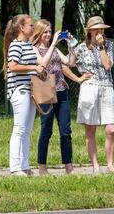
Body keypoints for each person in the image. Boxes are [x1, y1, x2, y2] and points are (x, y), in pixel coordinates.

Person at [31, 20, 93, 175]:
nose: (48, 34)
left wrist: (71, 45)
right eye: (45, 32)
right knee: (46, 130)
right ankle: (42, 167)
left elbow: (70, 62)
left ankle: (69, 166)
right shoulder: (34, 49)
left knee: (65, 131)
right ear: (38, 33)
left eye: (49, 31)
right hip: (46, 92)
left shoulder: (56, 49)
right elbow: (42, 64)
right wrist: (53, 44)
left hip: (61, 91)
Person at [72, 16, 114, 173]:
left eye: (102, 28)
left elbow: (107, 65)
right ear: (90, 31)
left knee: (111, 129)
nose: (100, 31)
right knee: (90, 129)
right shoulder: (81, 47)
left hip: (106, 86)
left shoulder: (108, 45)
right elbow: (68, 63)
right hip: (89, 87)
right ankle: (95, 166)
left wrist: (100, 47)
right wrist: (78, 78)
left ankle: (110, 164)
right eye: (97, 28)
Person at [3, 14, 47, 176]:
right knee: (20, 129)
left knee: (27, 130)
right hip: (19, 90)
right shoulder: (16, 45)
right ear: (21, 28)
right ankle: (15, 167)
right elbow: (13, 66)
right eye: (30, 25)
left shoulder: (27, 44)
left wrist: (38, 70)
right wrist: (33, 68)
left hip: (29, 91)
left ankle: (24, 164)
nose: (33, 28)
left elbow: (33, 65)